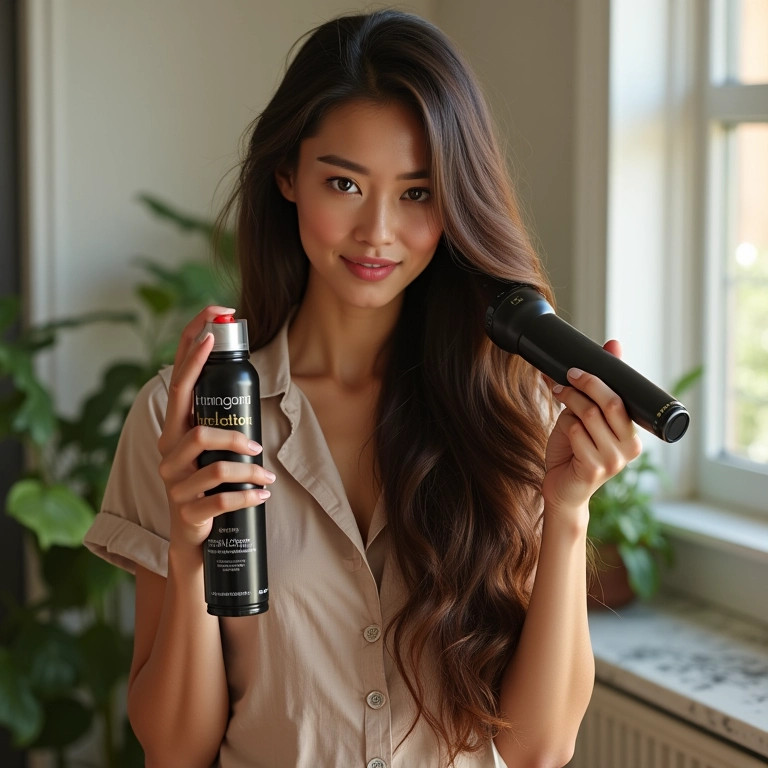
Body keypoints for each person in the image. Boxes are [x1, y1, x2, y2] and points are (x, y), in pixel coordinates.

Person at [83, 9, 641, 768]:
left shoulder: (512, 409)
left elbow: (541, 748)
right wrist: (188, 549)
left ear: (453, 204)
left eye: (416, 194)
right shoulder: (183, 420)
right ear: (287, 175)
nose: (377, 231)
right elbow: (175, 749)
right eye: (344, 182)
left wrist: (567, 512)